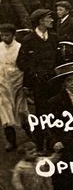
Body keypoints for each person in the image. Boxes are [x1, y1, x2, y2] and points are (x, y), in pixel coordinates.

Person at [0, 23, 27, 152]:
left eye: (7, 35)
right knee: (5, 115)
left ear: (13, 35)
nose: (4, 37)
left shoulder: (19, 48)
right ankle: (11, 141)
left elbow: (23, 67)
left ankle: (32, 136)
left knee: (22, 113)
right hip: (3, 85)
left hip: (18, 84)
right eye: (2, 35)